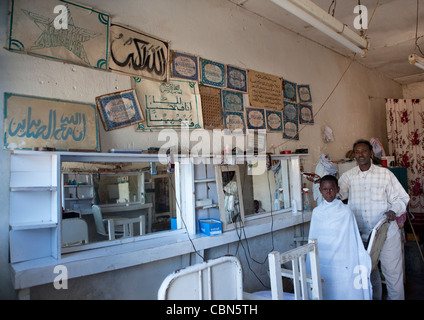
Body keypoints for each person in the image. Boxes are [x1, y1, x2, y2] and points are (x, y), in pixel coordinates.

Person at [338, 139, 410, 300]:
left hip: (386, 233)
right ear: (354, 156)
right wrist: (322, 185)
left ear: (371, 153)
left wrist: (393, 210)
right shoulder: (348, 177)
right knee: (366, 275)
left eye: (364, 151)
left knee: (393, 274)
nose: (360, 155)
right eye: (357, 152)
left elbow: (402, 198)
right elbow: (338, 195)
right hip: (361, 235)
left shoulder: (385, 174)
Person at [308, 175, 372, 300]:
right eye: (325, 189)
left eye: (331, 189)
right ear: (320, 191)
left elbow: (351, 239)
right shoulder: (317, 212)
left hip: (342, 259)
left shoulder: (346, 211)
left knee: (342, 288)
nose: (328, 192)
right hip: (323, 258)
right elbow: (314, 237)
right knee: (324, 284)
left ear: (337, 189)